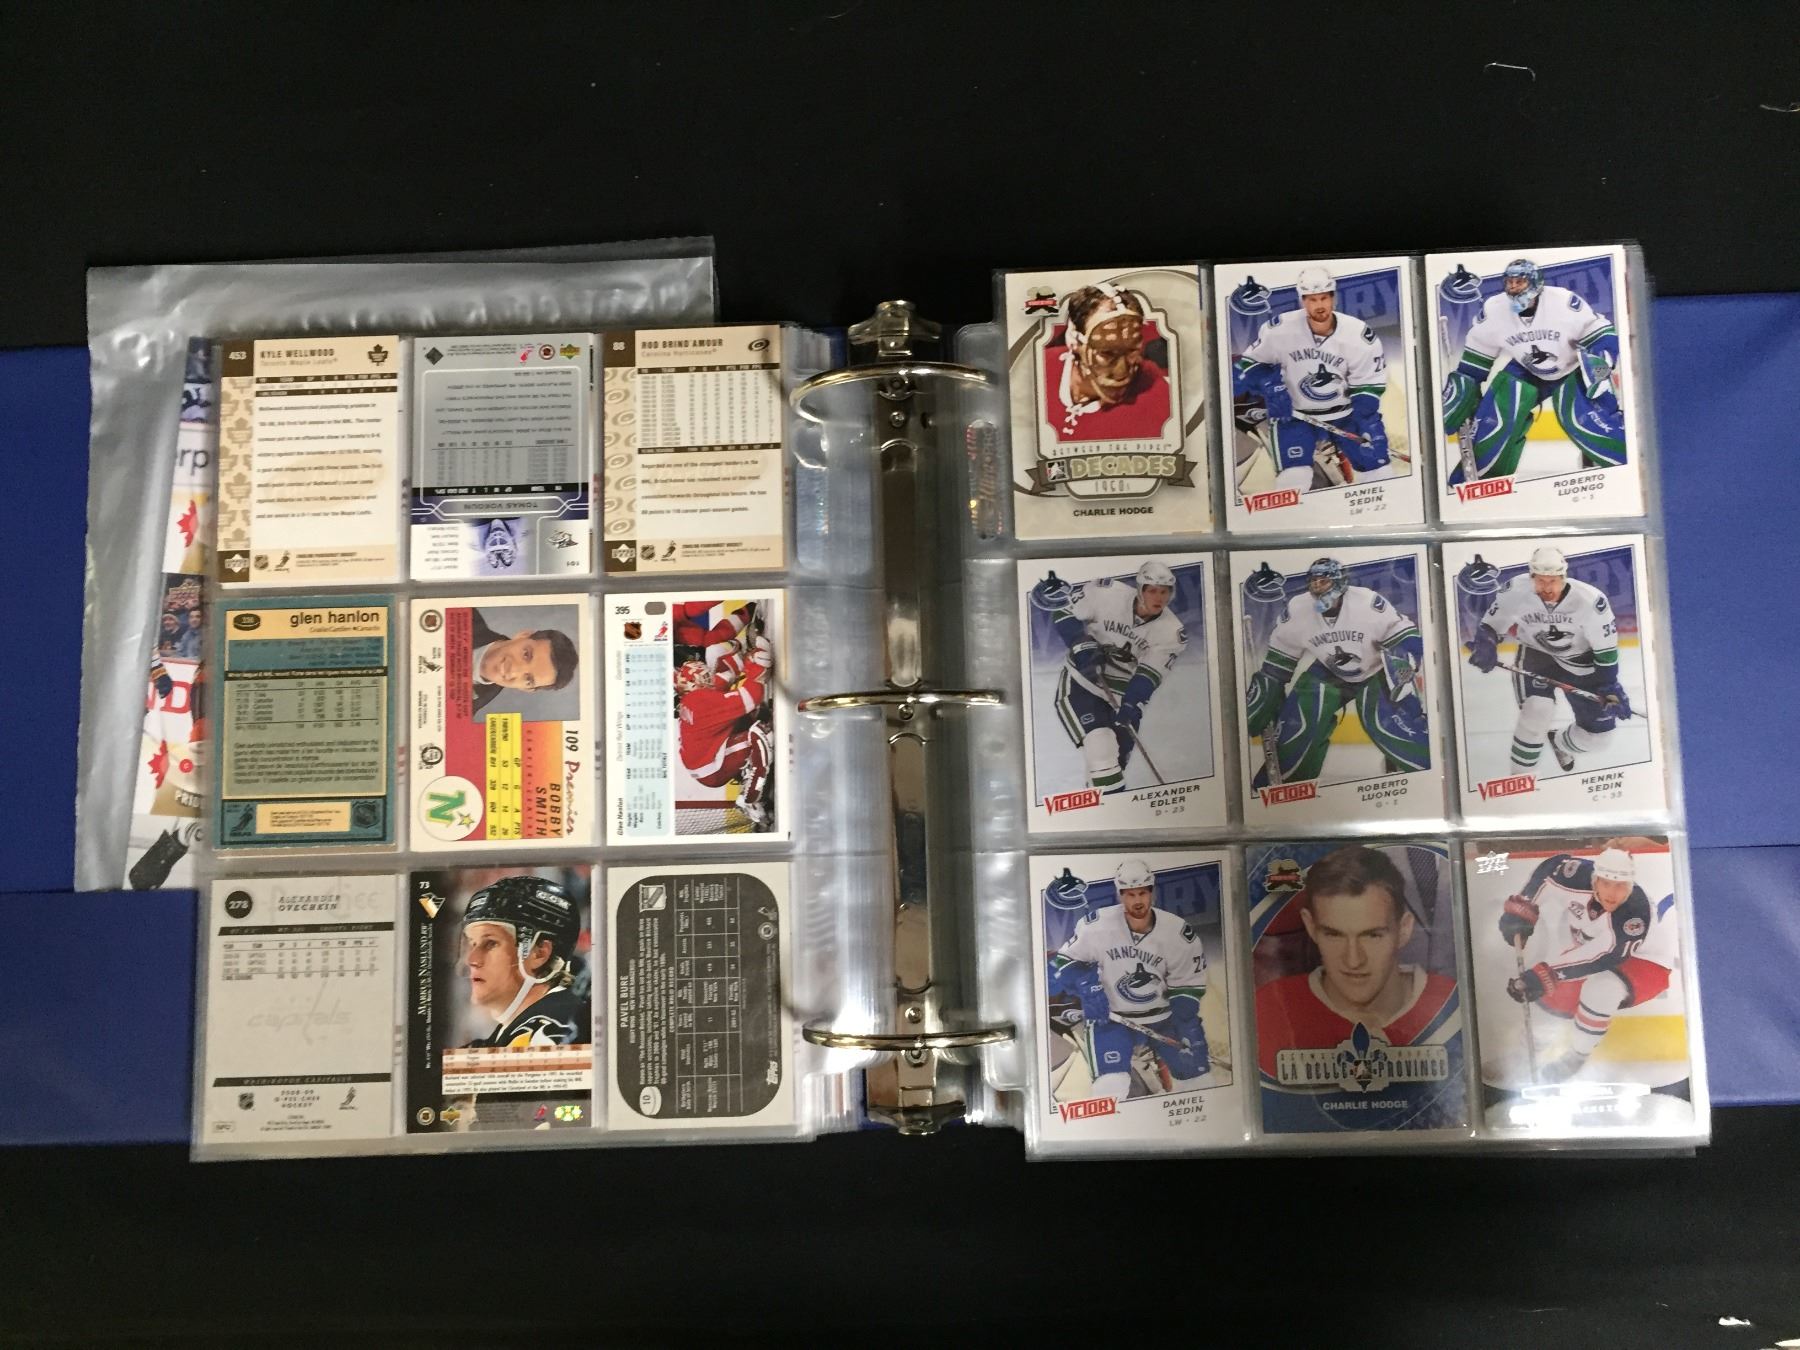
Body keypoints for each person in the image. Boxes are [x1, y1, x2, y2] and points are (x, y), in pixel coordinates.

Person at [1255, 845, 1456, 1078]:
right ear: (1310, 926)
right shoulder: (1270, 1007)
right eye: (1334, 935)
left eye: (1372, 936)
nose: (1353, 960)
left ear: (1404, 929)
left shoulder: (1452, 1000)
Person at [1497, 845, 1675, 1083]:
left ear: (1631, 885)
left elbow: (1604, 956)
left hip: (1647, 964)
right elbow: (1550, 869)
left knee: (1601, 988)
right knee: (1552, 994)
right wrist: (1523, 908)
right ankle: (1522, 1055)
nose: (1613, 893)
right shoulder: (1575, 875)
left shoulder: (1635, 913)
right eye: (1606, 883)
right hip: (1595, 952)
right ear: (1595, 879)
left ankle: (1576, 1057)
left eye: (1621, 886)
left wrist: (1547, 973)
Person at [1245, 558, 1429, 786]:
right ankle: (1287, 787)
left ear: (1339, 582)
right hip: (1329, 670)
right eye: (1313, 582)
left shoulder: (1366, 602)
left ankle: (1427, 771)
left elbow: (1403, 635)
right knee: (1298, 723)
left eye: (1323, 581)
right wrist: (1265, 691)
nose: (1317, 587)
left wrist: (1404, 662)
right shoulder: (1298, 609)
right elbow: (1278, 662)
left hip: (1375, 668)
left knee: (1384, 723)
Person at [1442, 257, 1624, 483]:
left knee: (1580, 419)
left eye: (1520, 282)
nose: (1513, 288)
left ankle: (1626, 462)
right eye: (1509, 282)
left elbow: (1600, 334)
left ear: (1536, 283)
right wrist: (1463, 388)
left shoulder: (1562, 302)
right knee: (1494, 418)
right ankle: (1482, 481)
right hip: (1526, 369)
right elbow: (1476, 359)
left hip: (1571, 367)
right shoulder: (1494, 310)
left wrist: (1600, 361)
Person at [1046, 859, 1211, 1101]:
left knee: (1200, 1081)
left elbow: (1188, 983)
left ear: (1152, 892)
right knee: (1110, 1088)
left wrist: (1184, 1017)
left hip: (1164, 1019)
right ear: (1120, 894)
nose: (1137, 901)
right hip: (1112, 1019)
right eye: (1130, 894)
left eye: (1142, 893)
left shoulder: (1177, 932)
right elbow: (1061, 963)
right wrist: (1086, 985)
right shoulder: (1096, 926)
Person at [1465, 545, 1629, 775]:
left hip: (1581, 664)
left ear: (1563, 577)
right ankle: (1519, 782)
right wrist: (1487, 644)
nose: (1547, 587)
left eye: (1552, 581)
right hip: (1536, 656)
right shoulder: (1515, 590)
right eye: (1540, 580)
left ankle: (1560, 743)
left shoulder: (1591, 601)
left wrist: (1609, 686)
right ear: (1531, 576)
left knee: (1598, 740)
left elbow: (1606, 652)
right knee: (1537, 710)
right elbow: (1491, 625)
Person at [1032, 560, 1187, 795]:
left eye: (1164, 592)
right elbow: (1064, 609)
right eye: (1153, 590)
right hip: (1082, 683)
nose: (1159, 598)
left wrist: (1132, 703)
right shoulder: (1106, 592)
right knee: (1101, 746)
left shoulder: (1171, 631)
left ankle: (1101, 807)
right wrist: (1081, 643)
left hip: (1122, 693)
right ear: (1140, 589)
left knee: (1111, 768)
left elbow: (1148, 674)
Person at [1233, 266, 1390, 492]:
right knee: (1293, 482)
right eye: (1312, 299)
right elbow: (1250, 363)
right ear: (1303, 300)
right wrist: (1269, 385)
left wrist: (1363, 418)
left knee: (1380, 472)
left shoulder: (1357, 334)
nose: (1319, 305)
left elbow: (1368, 384)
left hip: (1347, 415)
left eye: (1324, 298)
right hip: (1296, 416)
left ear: (1333, 298)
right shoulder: (1279, 330)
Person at [460, 874, 589, 1048]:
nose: (472, 959)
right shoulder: (513, 1033)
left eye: (491, 943)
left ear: (539, 953)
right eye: (472, 943)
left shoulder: (552, 1031)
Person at [1041, 283, 1171, 440]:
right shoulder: (1037, 369)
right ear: (1074, 339)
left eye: (1131, 350)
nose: (1121, 371)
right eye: (1107, 353)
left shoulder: (1158, 398)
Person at [675, 631, 774, 829]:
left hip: (705, 761)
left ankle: (746, 772)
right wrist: (757, 663)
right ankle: (750, 799)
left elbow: (724, 678)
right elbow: (752, 695)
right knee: (760, 733)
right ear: (695, 684)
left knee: (753, 717)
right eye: (704, 677)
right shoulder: (699, 702)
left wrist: (745, 657)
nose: (709, 678)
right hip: (711, 767)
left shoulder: (692, 699)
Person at [468, 609, 579, 715]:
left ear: (526, 689)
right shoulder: (466, 614)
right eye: (526, 655)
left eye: (528, 679)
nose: (513, 670)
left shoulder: (471, 708)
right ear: (523, 635)